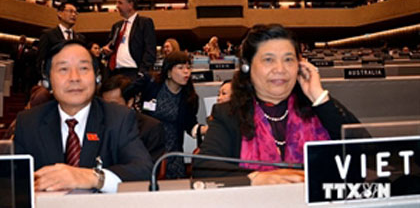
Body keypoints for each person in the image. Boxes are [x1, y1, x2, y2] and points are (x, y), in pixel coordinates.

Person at [193, 24, 359, 185]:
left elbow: (370, 155)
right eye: (268, 60)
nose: (280, 69)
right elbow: (205, 168)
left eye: (288, 60)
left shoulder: (320, 108)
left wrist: (319, 98)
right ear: (246, 67)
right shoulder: (228, 113)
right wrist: (255, 178)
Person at [14, 40, 153, 193]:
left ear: (97, 78)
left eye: (83, 68)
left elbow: (143, 171)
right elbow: (13, 182)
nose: (74, 78)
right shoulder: (28, 122)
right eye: (63, 69)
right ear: (47, 82)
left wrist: (91, 177)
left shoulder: (119, 118)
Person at [132, 51, 207, 179]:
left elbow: (190, 125)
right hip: (147, 147)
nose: (186, 72)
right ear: (168, 72)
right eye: (181, 67)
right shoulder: (151, 84)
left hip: (173, 152)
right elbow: (126, 92)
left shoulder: (190, 98)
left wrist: (203, 129)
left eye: (188, 67)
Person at [99, 74, 165, 163]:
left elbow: (150, 167)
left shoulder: (150, 128)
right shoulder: (98, 124)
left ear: (130, 102)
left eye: (113, 105)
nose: (108, 109)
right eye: (104, 105)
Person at [102, 0, 156, 79]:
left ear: (130, 5)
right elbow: (110, 46)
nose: (117, 6)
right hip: (114, 74)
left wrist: (142, 73)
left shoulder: (144, 23)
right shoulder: (116, 26)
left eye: (120, 3)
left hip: (133, 74)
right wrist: (106, 50)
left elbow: (150, 51)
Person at [37, 3, 86, 74]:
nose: (74, 15)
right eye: (70, 11)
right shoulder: (48, 35)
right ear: (60, 13)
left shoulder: (80, 38)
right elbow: (41, 60)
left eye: (76, 12)